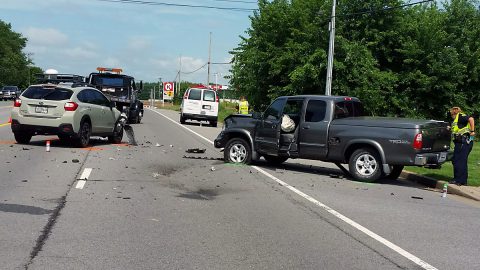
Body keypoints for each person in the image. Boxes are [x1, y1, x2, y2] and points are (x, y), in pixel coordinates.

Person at [449, 107, 475, 185]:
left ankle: (458, 180)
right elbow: (458, 129)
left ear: (454, 113)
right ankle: (463, 181)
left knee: (458, 161)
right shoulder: (456, 120)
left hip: (463, 142)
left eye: (451, 114)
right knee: (461, 161)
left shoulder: (460, 116)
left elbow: (471, 119)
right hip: (461, 142)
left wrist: (472, 131)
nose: (451, 116)